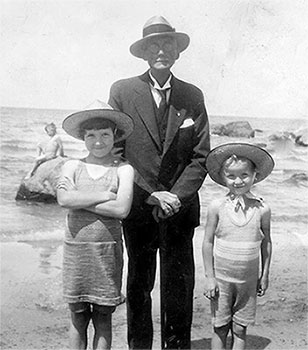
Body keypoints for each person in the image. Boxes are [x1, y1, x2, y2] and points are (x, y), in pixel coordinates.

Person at [108, 15, 210, 349]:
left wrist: (176, 196)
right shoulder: (123, 91)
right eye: (154, 45)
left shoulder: (192, 95)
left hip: (180, 211)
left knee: (178, 288)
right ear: (144, 53)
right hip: (139, 209)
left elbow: (201, 156)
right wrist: (152, 195)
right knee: (139, 285)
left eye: (168, 44)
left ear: (178, 51)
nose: (161, 50)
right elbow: (116, 154)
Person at [56, 101, 134, 350]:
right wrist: (104, 195)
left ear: (115, 136)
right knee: (78, 316)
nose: (98, 142)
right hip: (77, 252)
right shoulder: (72, 166)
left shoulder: (124, 169)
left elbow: (122, 210)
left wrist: (79, 200)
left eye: (104, 135)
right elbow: (63, 199)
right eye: (91, 135)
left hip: (106, 253)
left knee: (103, 317)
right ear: (82, 137)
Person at [202, 143, 274, 350]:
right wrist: (210, 277)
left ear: (255, 176)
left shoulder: (262, 208)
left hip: (248, 282)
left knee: (240, 328)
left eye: (244, 175)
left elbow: (266, 242)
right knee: (220, 327)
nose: (238, 180)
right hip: (222, 281)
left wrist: (265, 274)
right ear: (223, 178)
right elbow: (207, 242)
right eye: (231, 176)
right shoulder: (217, 206)